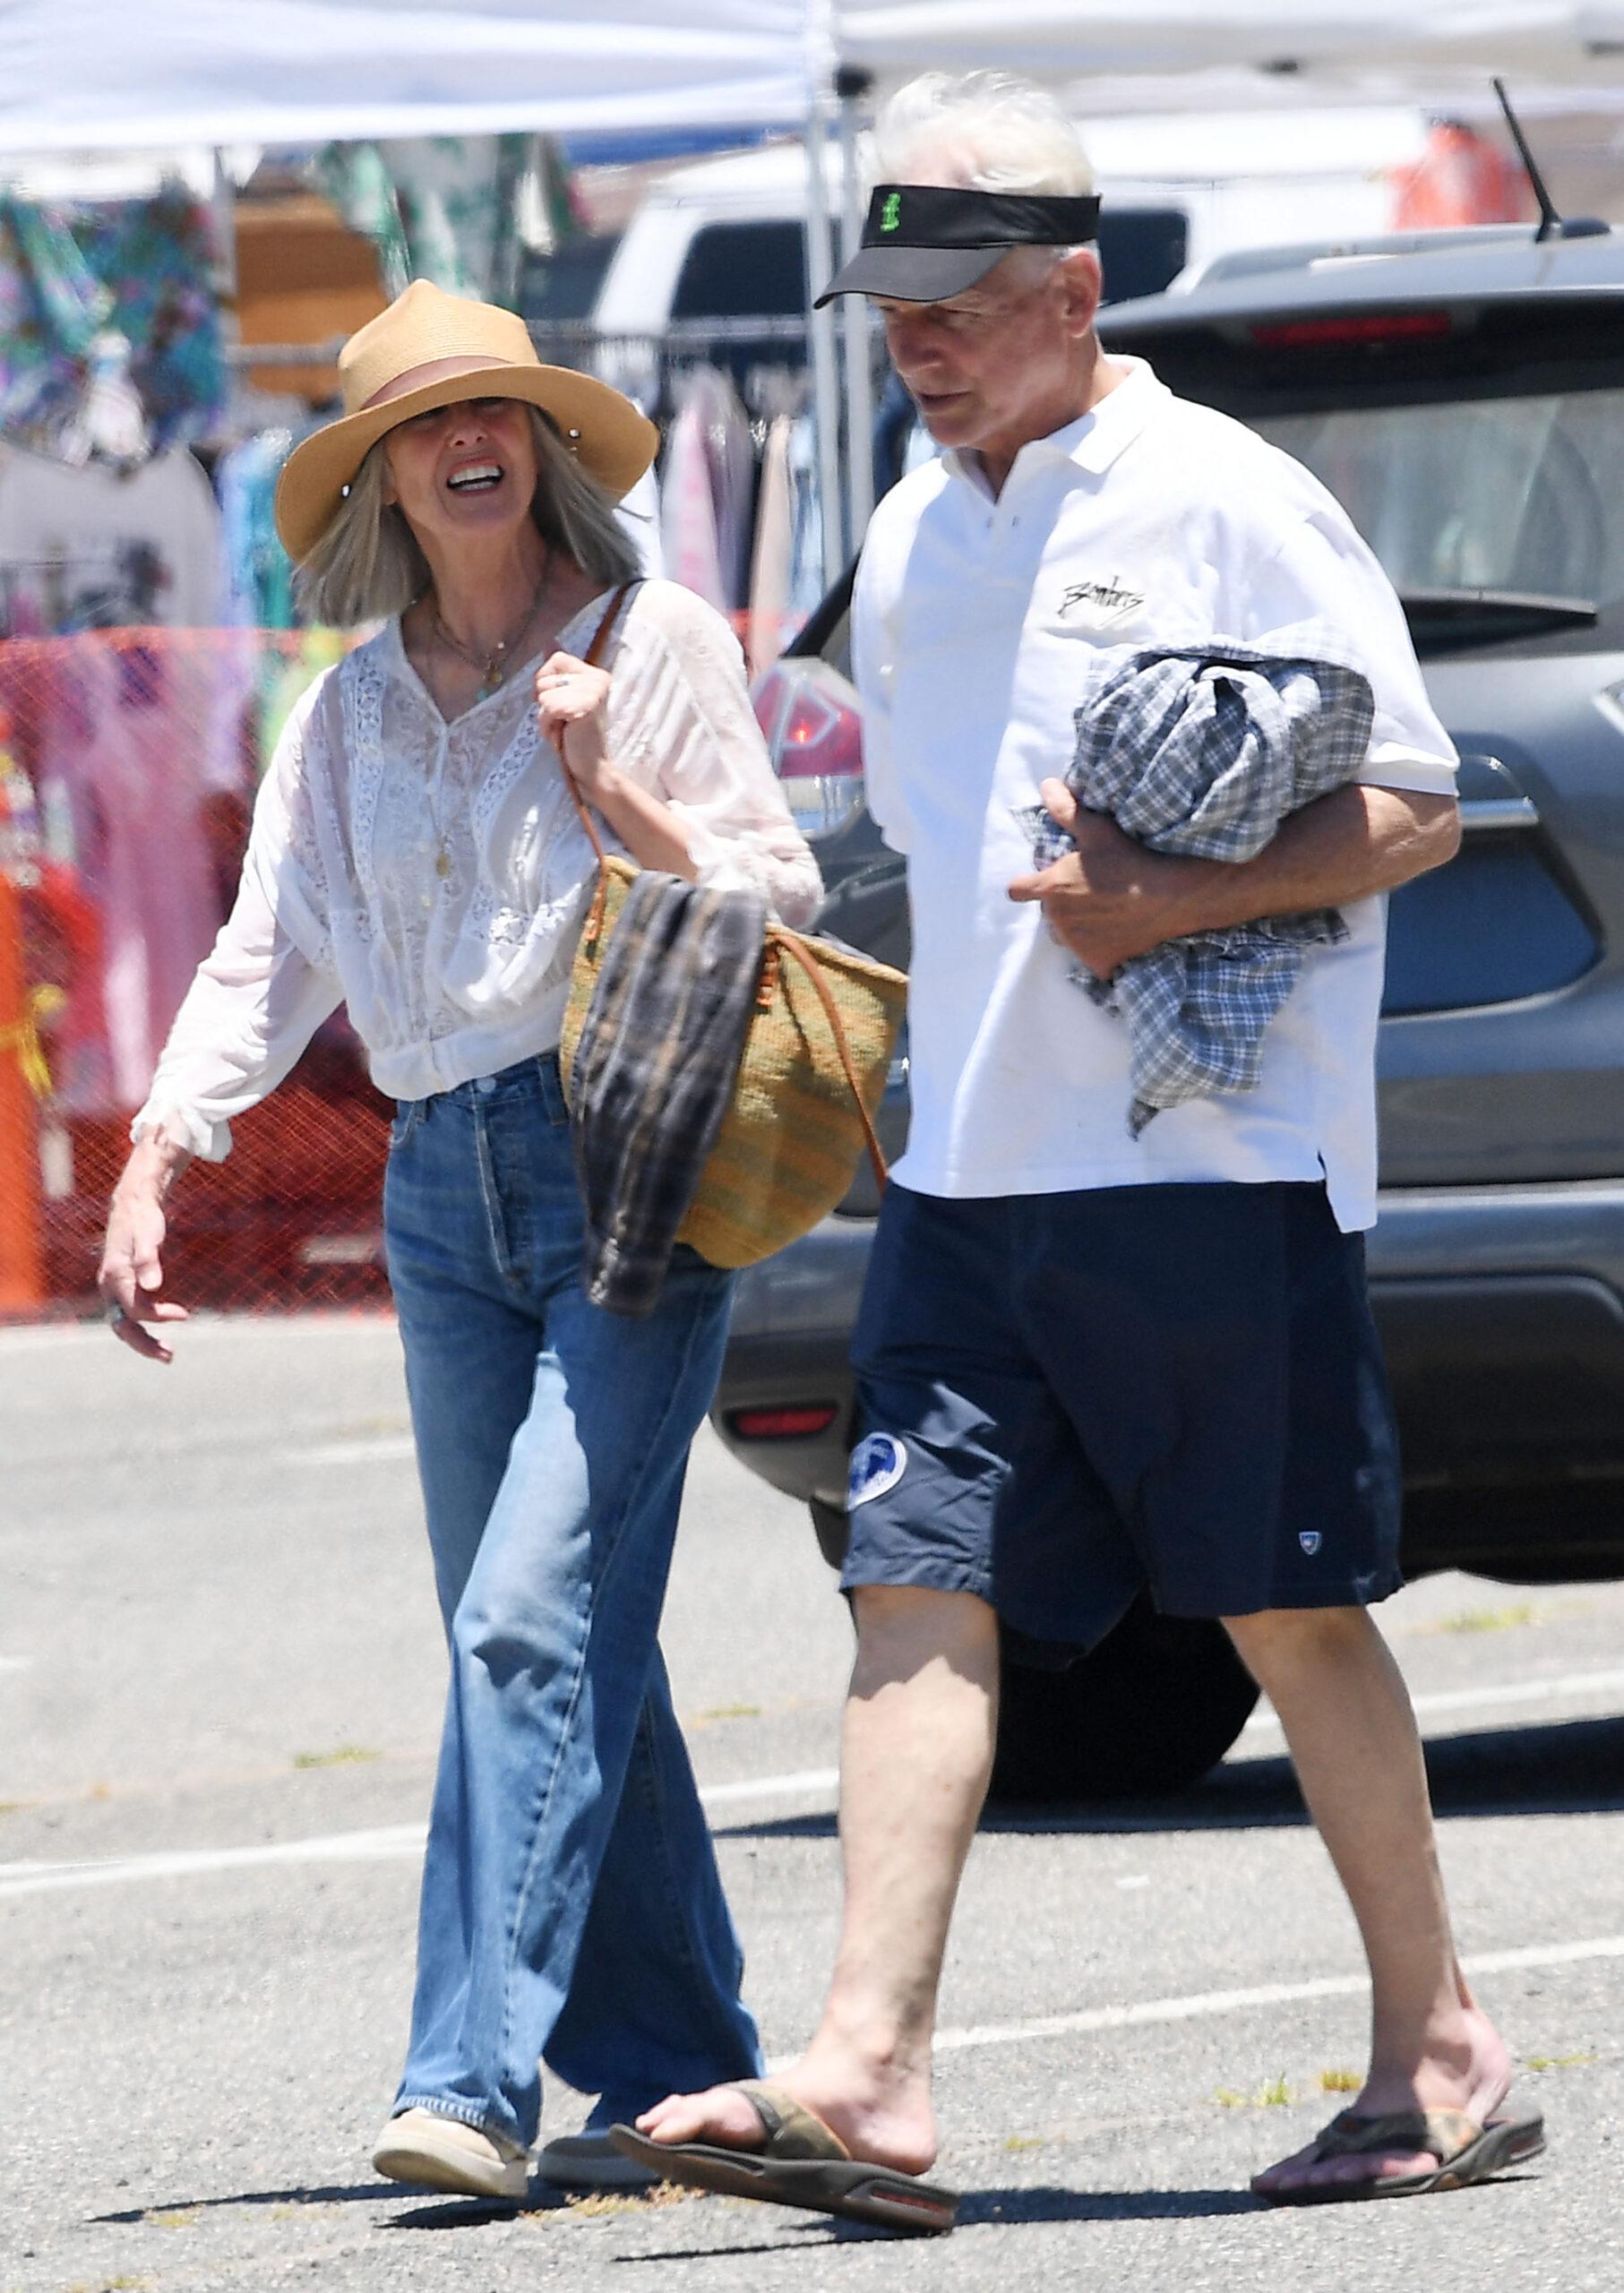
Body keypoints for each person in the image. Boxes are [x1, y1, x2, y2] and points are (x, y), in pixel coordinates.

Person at [618, 72, 1544, 2223]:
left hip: (1205, 1162)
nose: (918, 341)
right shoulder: (915, 521)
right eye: (895, 305)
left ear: (1075, 286)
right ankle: (868, 2065)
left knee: (1279, 1608)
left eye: (960, 302)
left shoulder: (1219, 489)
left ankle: (1447, 2049)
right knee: (910, 1577)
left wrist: (1168, 899)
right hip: (966, 1174)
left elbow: (1411, 801)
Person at [97, 279, 822, 2202]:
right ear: (382, 482)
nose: (466, 440)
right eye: (424, 426)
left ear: (547, 444)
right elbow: (271, 946)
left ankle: (470, 2076)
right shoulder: (348, 709)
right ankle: (677, 2062)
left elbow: (772, 889)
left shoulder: (648, 639)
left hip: (622, 1168)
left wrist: (613, 784)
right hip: (439, 1187)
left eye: (494, 409)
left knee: (526, 1622)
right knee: (565, 1635)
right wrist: (163, 1143)